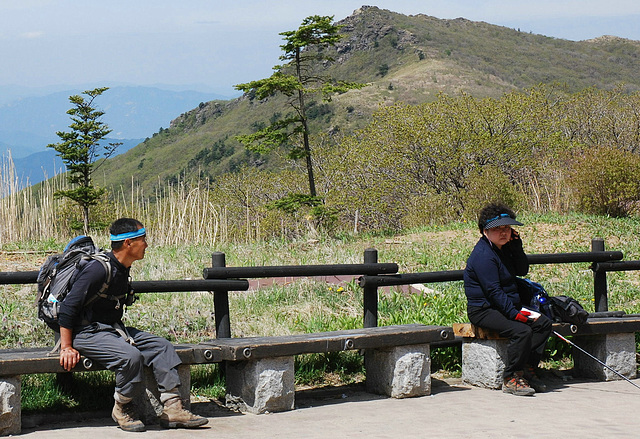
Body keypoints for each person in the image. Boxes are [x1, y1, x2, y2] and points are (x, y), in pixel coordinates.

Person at [58, 218, 209, 432]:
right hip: (85, 332)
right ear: (128, 243)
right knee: (130, 357)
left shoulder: (122, 267)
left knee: (162, 347)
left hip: (111, 329)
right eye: (143, 239)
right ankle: (122, 407)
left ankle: (173, 408)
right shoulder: (98, 270)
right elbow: (68, 308)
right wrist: (66, 346)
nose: (146, 244)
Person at [463, 203, 552, 396]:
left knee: (543, 324)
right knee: (521, 331)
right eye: (497, 229)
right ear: (484, 231)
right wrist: (515, 314)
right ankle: (511, 377)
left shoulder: (504, 249)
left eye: (507, 228)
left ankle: (527, 368)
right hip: (484, 309)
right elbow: (493, 291)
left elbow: (521, 271)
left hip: (508, 305)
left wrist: (517, 247)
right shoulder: (483, 256)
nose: (503, 233)